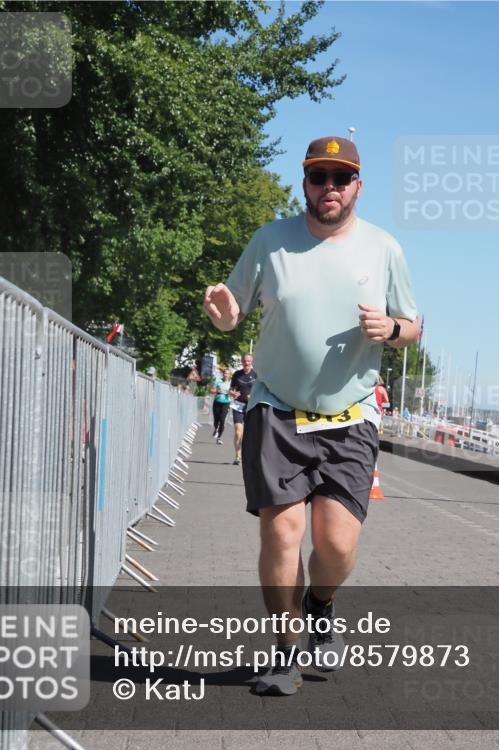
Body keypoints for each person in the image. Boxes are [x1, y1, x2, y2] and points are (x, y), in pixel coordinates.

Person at [202, 136, 419, 695]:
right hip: (276, 408)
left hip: (350, 416)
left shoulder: (383, 248)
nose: (329, 187)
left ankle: (320, 605)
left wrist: (392, 330)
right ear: (304, 182)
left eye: (340, 178)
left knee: (338, 544)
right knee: (282, 535)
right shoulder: (270, 241)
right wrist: (224, 316)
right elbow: (232, 313)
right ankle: (285, 653)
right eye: (318, 176)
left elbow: (414, 326)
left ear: (357, 187)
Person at [228, 354, 257, 465]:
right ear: (241, 361)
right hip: (238, 405)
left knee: (250, 433)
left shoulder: (256, 375)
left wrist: (253, 395)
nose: (246, 363)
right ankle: (237, 456)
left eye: (248, 361)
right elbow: (231, 390)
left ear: (252, 362)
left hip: (251, 406)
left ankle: (250, 456)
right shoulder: (237, 374)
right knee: (238, 432)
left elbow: (261, 390)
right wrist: (233, 393)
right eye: (245, 360)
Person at [210, 366, 232, 445]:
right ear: (223, 374)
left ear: (230, 375)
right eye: (225, 373)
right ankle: (216, 428)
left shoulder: (231, 383)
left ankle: (219, 438)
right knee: (216, 419)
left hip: (226, 402)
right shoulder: (218, 381)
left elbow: (234, 392)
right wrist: (217, 390)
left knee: (222, 419)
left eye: (227, 374)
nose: (226, 375)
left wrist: (230, 393)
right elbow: (211, 390)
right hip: (217, 401)